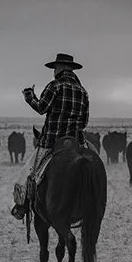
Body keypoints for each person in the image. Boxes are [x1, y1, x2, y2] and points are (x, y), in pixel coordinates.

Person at [12, 52, 91, 219]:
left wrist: (29, 97)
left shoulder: (55, 85)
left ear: (61, 68)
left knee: (28, 173)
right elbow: (84, 122)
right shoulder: (83, 92)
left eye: (55, 68)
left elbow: (41, 108)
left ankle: (21, 206)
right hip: (76, 142)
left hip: (52, 143)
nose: (54, 71)